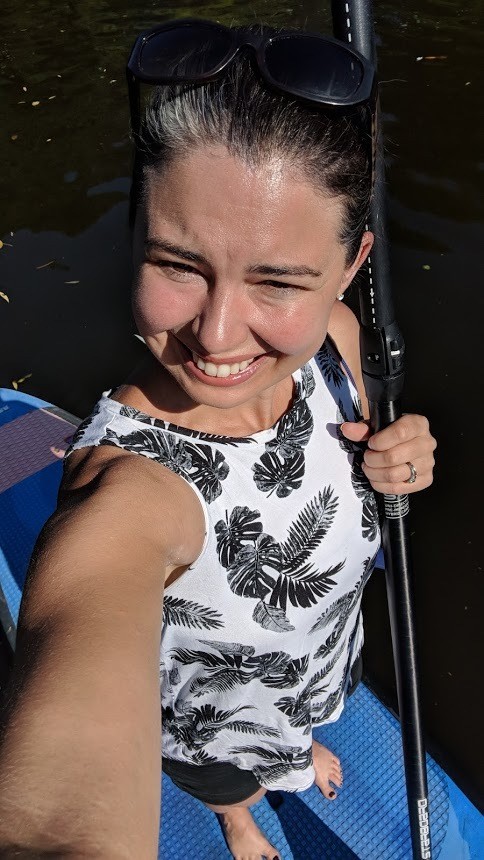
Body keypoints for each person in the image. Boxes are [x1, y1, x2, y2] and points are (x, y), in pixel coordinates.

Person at [0, 20, 436, 860]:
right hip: (209, 726)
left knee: (299, 725)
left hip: (319, 666)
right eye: (177, 264)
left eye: (278, 280)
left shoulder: (340, 342)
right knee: (223, 778)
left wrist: (400, 459)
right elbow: (59, 799)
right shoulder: (127, 489)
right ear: (136, 239)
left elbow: (366, 454)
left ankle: (295, 748)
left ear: (351, 268)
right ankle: (239, 818)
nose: (218, 331)